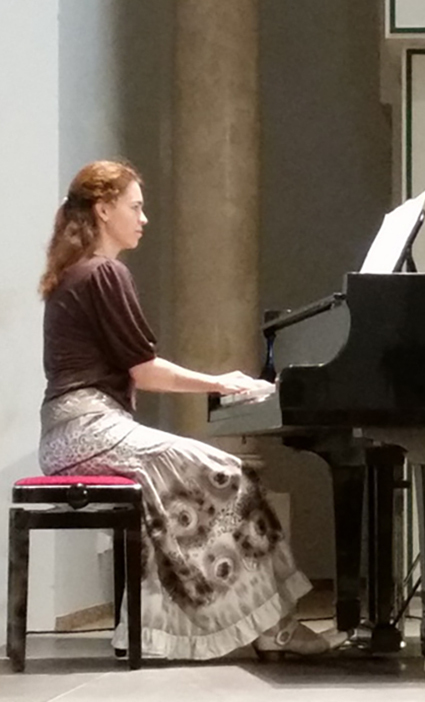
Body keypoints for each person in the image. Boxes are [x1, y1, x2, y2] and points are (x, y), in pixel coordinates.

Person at [38, 160, 343, 660]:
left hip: (68, 435)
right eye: (135, 207)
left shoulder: (77, 272)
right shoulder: (103, 272)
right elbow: (145, 372)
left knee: (197, 487)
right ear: (104, 209)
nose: (144, 218)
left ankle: (173, 631)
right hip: (89, 430)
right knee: (230, 475)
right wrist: (220, 382)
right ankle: (274, 629)